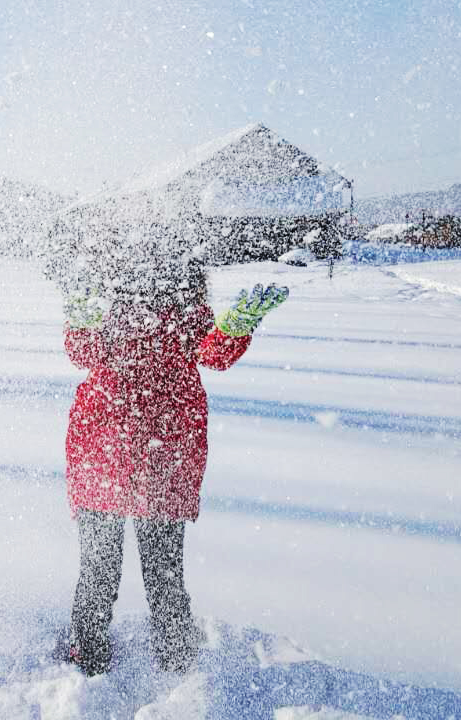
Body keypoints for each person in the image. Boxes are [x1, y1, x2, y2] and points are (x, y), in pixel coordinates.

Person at [60, 255, 289, 676]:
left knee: (150, 571)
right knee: (108, 568)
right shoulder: (111, 301)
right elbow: (83, 351)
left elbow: (213, 353)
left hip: (158, 456)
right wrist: (81, 321)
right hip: (112, 451)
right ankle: (96, 654)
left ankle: (172, 657)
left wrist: (234, 327)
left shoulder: (186, 309)